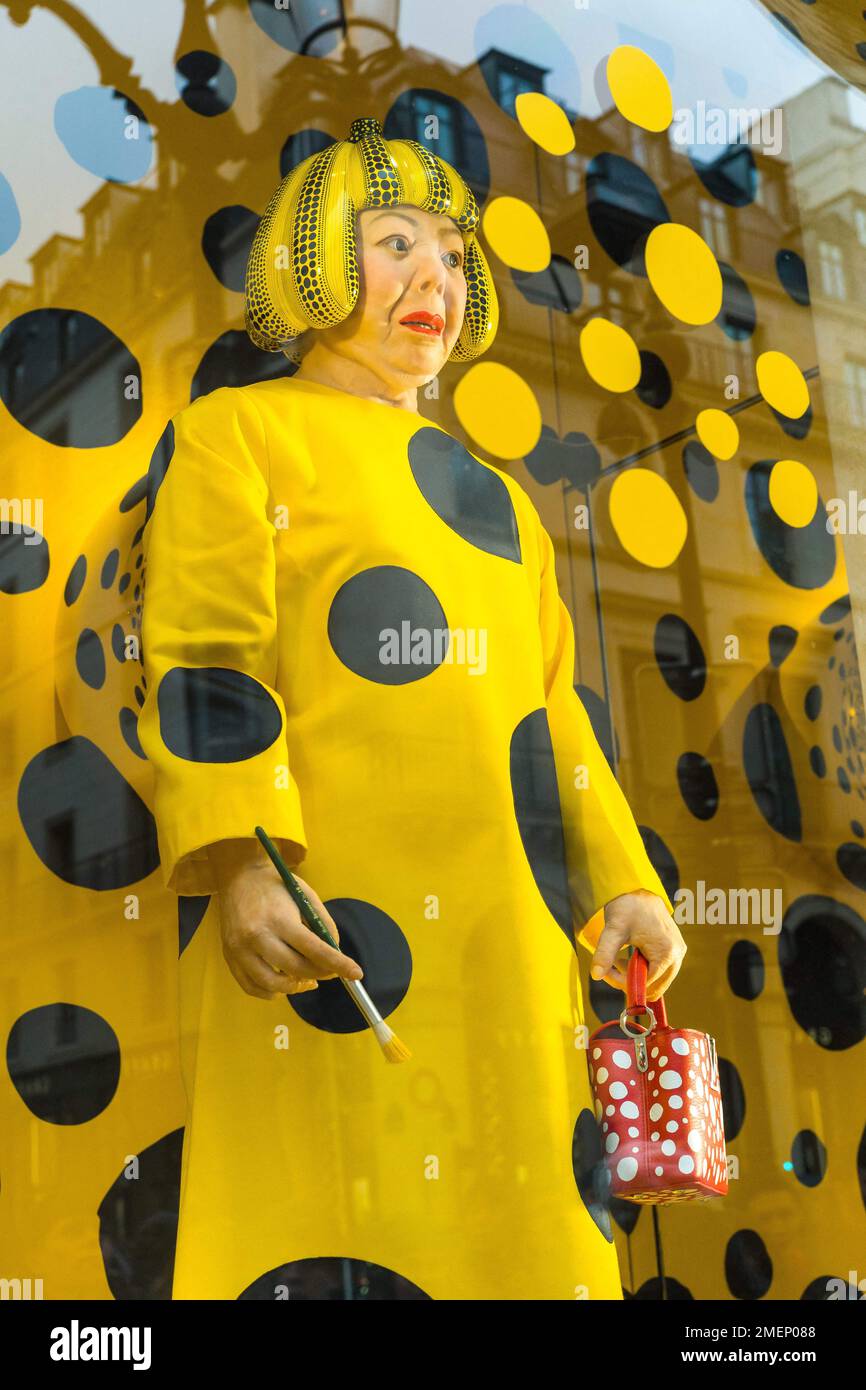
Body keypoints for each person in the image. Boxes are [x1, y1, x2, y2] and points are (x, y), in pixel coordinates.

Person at [138, 115, 686, 1301]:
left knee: (529, 1233)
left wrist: (621, 883)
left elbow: (555, 714)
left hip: (513, 943)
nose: (432, 275)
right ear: (314, 258)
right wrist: (243, 858)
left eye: (449, 253)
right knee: (333, 1219)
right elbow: (205, 656)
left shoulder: (501, 501)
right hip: (331, 927)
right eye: (392, 241)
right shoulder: (239, 432)